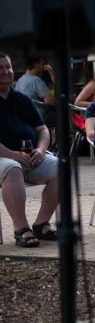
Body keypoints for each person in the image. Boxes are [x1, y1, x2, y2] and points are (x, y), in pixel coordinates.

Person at [0, 53, 59, 247]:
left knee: (62, 167)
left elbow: (42, 129)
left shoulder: (22, 99)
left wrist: (41, 149)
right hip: (4, 158)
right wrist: (11, 154)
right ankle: (21, 229)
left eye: (8, 67)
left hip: (30, 157)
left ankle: (41, 223)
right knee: (12, 169)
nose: (6, 72)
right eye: (0, 68)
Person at [14, 56, 57, 127]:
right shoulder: (36, 81)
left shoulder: (20, 80)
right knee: (64, 114)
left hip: (24, 117)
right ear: (36, 64)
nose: (44, 66)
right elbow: (51, 101)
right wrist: (51, 72)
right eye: (42, 63)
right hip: (39, 117)